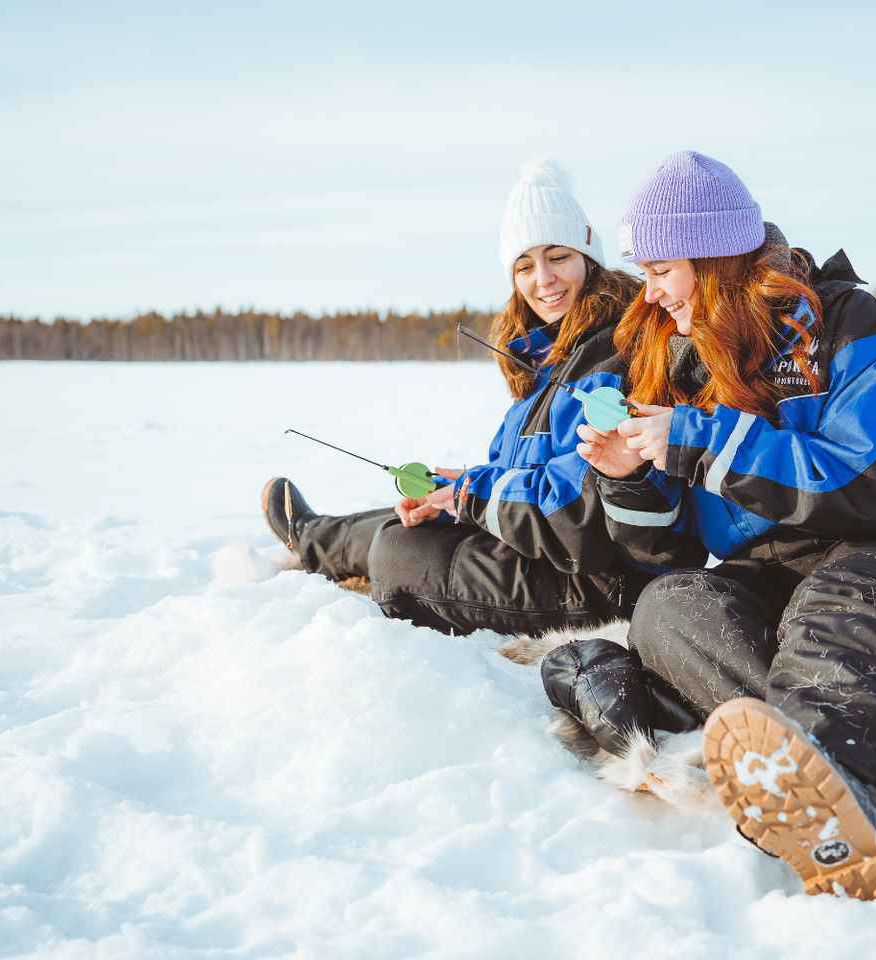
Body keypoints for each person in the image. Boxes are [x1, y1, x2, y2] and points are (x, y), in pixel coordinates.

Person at [545, 151, 876, 900]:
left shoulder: (853, 327)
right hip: (772, 580)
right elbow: (668, 551)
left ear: (715, 259)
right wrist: (629, 477)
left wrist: (704, 442)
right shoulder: (679, 360)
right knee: (669, 609)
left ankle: (860, 812)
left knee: (840, 602)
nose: (652, 289)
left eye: (662, 268)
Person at [261, 158, 652, 636]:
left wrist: (472, 495)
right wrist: (465, 485)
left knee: (398, 550)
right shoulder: (546, 359)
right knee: (416, 516)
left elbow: (581, 504)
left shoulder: (613, 356)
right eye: (525, 266)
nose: (543, 279)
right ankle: (312, 538)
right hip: (544, 547)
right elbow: (526, 474)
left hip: (595, 582)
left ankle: (318, 542)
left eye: (558, 256)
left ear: (588, 258)